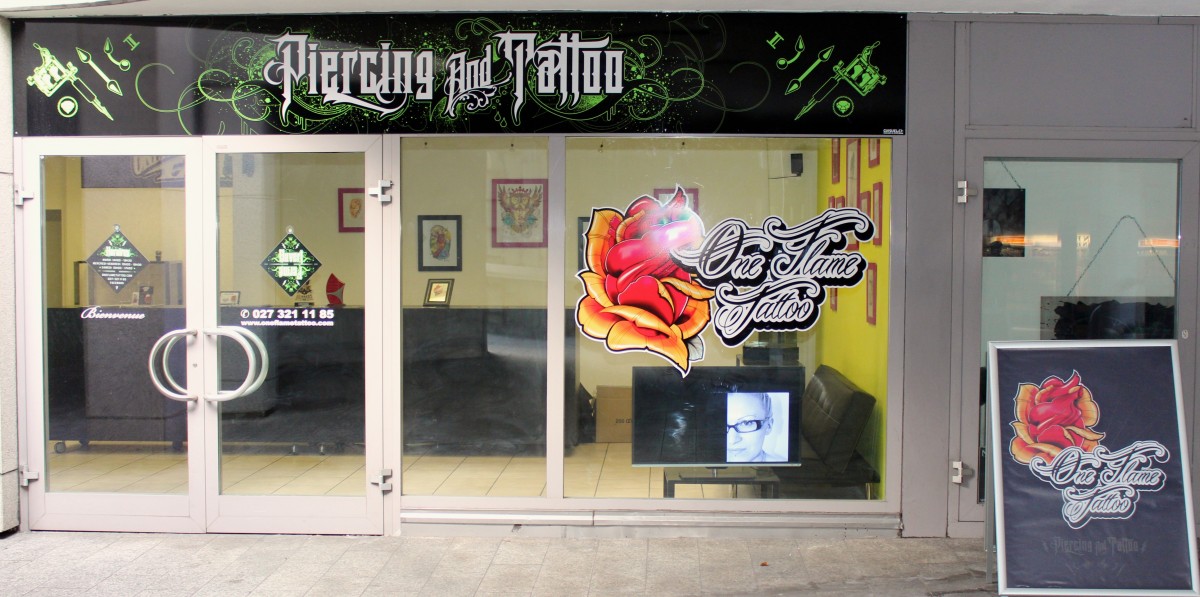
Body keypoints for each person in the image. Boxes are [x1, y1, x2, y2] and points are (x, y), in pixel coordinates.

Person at [726, 392, 785, 463]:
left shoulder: (785, 467)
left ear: (769, 425)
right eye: (722, 424)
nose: (732, 440)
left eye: (746, 423)